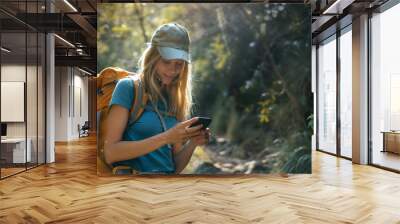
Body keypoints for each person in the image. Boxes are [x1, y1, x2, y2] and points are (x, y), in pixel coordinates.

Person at [104, 23, 210, 174]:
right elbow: (110, 153)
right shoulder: (127, 88)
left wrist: (193, 143)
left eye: (179, 64)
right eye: (166, 62)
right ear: (153, 57)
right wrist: (166, 138)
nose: (172, 70)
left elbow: (174, 168)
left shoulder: (174, 100)